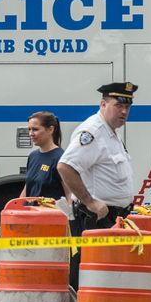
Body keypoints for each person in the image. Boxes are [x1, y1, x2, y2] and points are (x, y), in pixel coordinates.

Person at [58, 82, 138, 286]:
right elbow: (65, 167)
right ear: (103, 104)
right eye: (118, 105)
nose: (124, 111)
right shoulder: (93, 132)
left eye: (127, 107)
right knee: (93, 276)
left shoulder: (111, 132)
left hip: (114, 217)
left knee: (108, 276)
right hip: (97, 218)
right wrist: (90, 202)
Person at [19, 112, 64, 201]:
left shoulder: (61, 158)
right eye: (29, 129)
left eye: (35, 129)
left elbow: (69, 193)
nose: (30, 134)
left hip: (50, 213)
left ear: (50, 129)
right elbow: (27, 187)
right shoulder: (33, 156)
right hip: (31, 213)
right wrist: (17, 208)